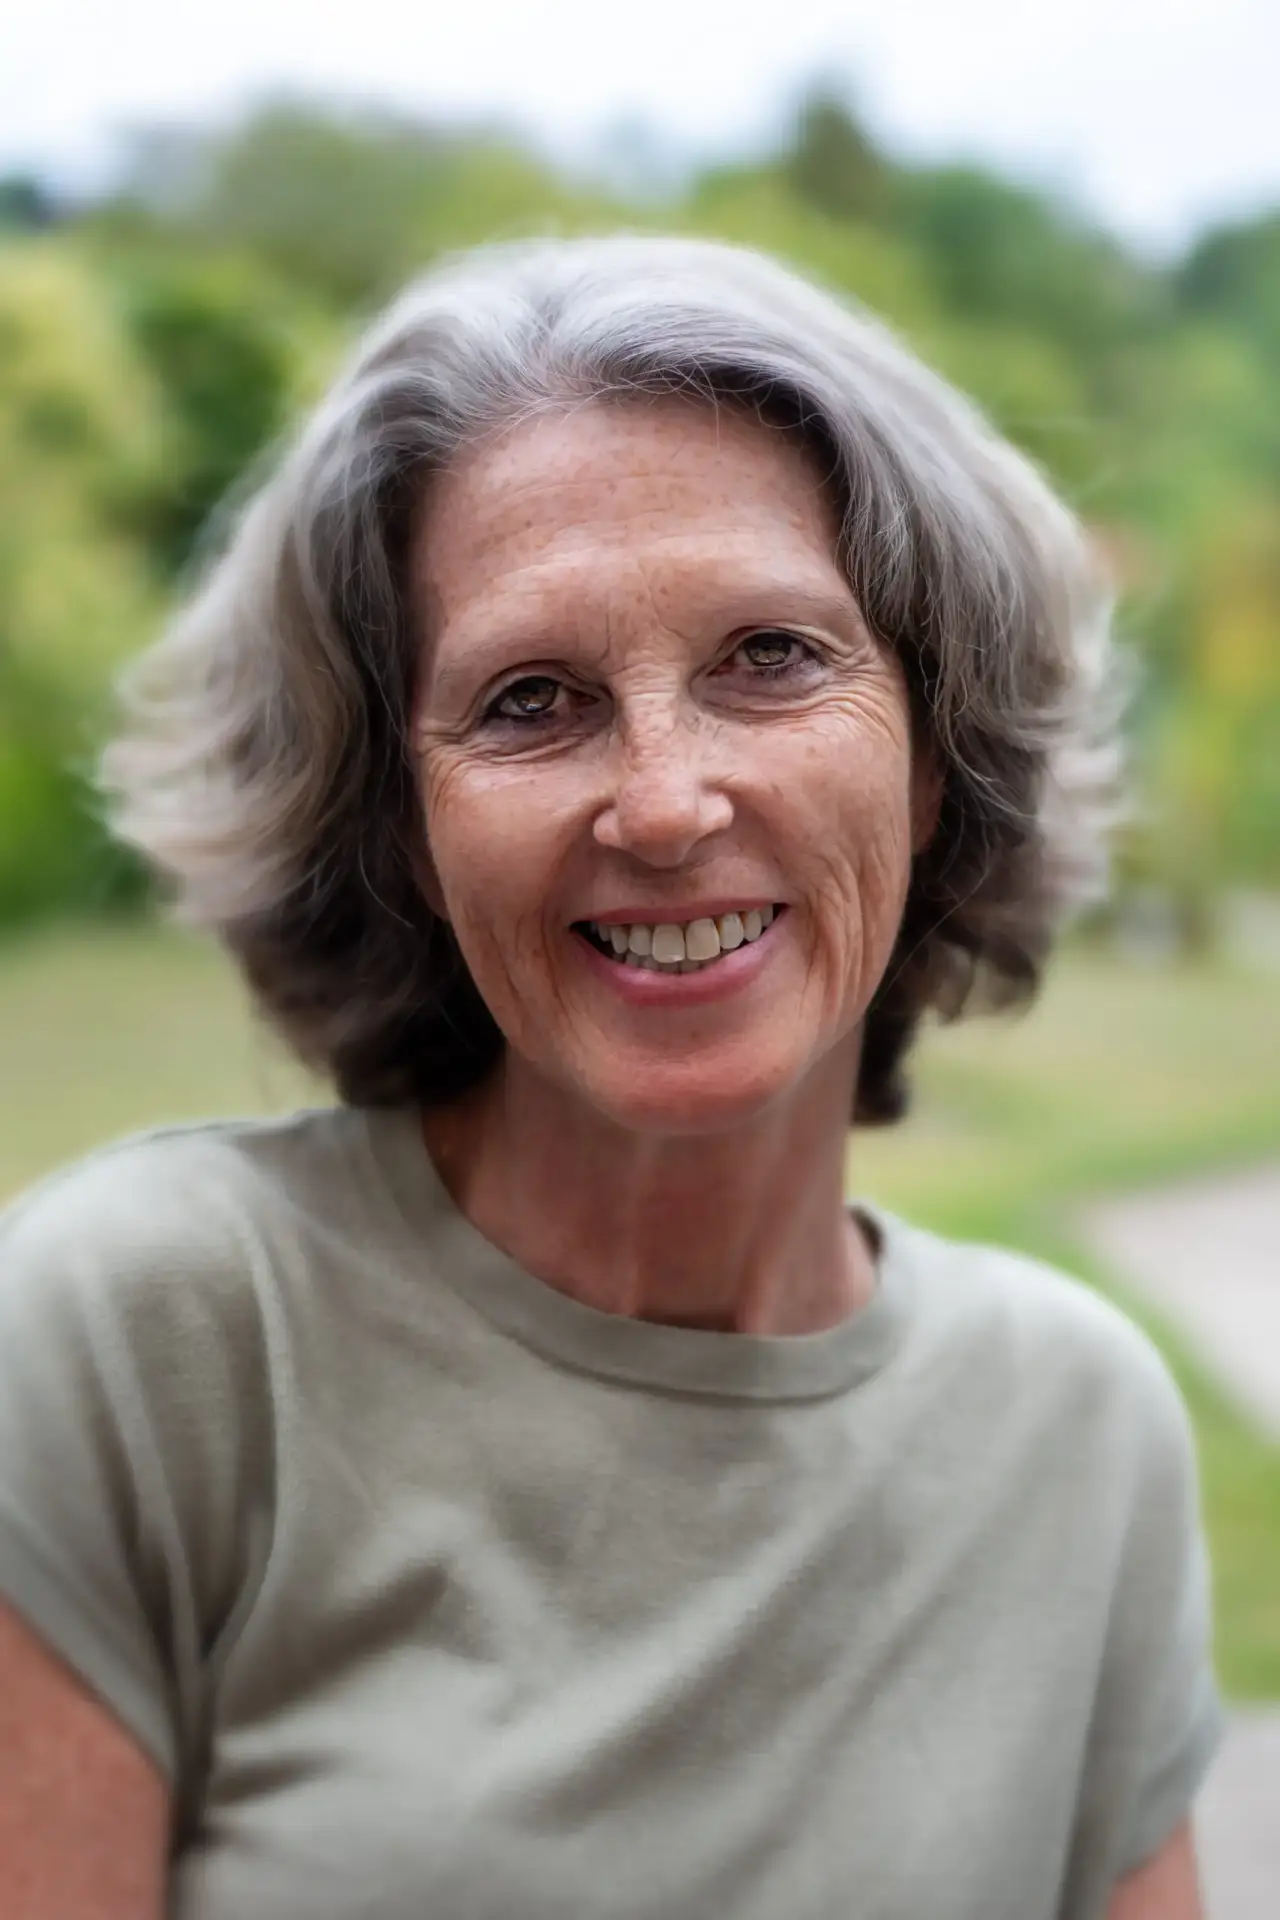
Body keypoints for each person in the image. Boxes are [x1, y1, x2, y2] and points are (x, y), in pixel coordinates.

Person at [0, 235, 1220, 1920]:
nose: (661, 804)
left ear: (935, 756)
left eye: (770, 658)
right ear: (404, 832)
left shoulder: (1077, 1429)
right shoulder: (145, 1339)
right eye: (529, 701)